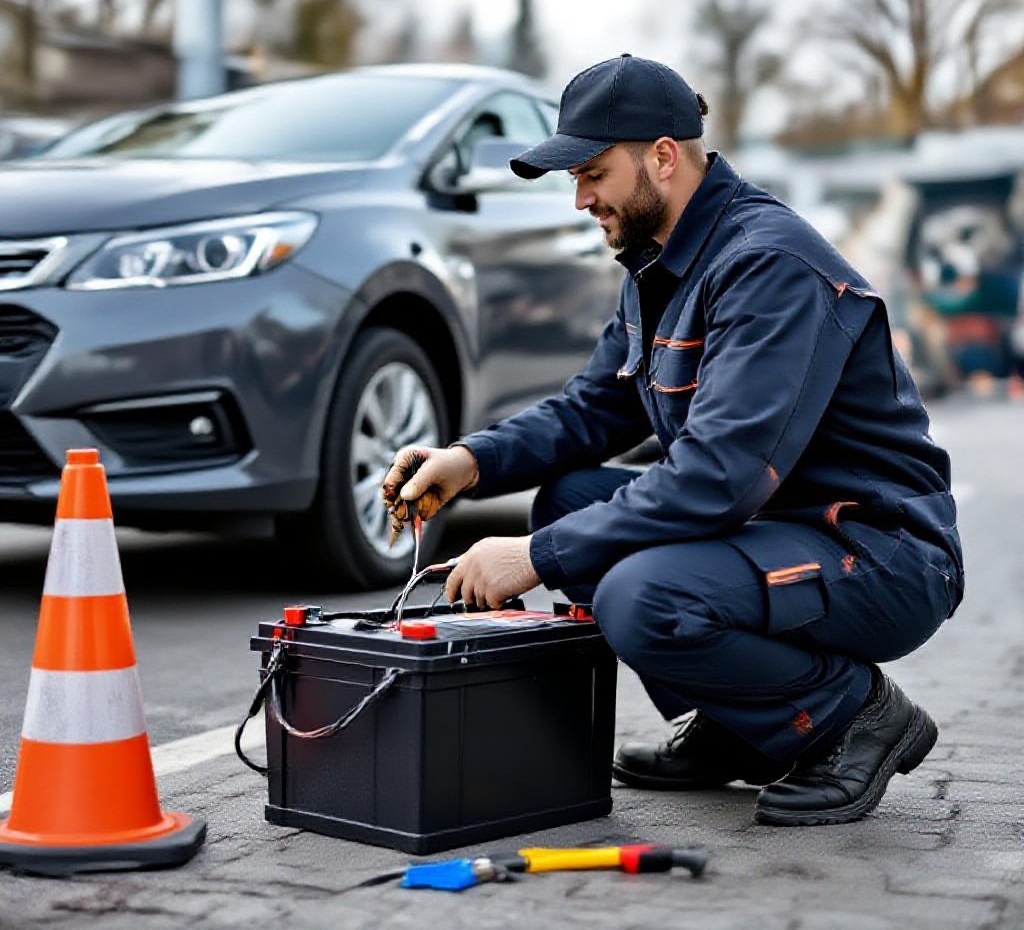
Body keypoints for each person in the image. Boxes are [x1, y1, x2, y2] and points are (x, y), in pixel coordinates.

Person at [381, 54, 964, 827]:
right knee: (568, 504)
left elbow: (717, 477)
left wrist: (530, 559)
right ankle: (744, 726)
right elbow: (593, 408)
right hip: (778, 527)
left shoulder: (767, 265)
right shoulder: (660, 264)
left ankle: (854, 716)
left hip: (879, 549)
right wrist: (471, 460)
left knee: (639, 596)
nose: (582, 198)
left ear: (662, 155)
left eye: (593, 173)